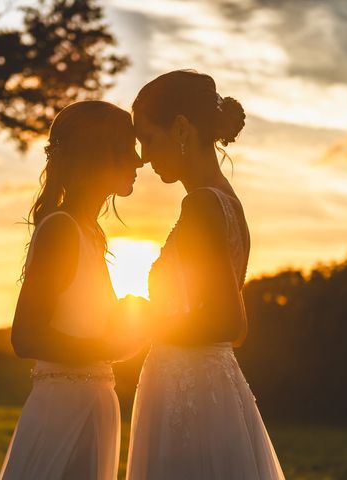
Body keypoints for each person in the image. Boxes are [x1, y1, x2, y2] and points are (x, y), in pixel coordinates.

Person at [126, 70, 286, 479]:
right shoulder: (229, 202)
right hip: (211, 386)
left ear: (180, 127)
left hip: (191, 392)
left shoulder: (200, 205)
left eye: (147, 138)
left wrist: (144, 319)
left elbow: (229, 321)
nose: (143, 155)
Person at [0, 100, 145, 480]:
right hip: (62, 412)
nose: (139, 161)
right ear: (101, 153)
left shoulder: (89, 234)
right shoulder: (61, 229)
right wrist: (112, 347)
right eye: (129, 148)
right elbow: (26, 336)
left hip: (91, 405)